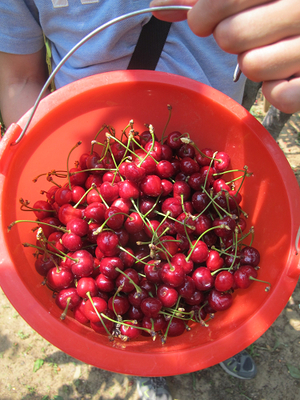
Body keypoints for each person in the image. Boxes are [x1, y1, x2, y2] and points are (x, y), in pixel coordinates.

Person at [0, 1, 299, 399]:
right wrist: (35, 146)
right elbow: (19, 79)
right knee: (144, 321)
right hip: (94, 137)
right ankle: (146, 355)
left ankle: (210, 333)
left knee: (211, 296)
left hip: (212, 124)